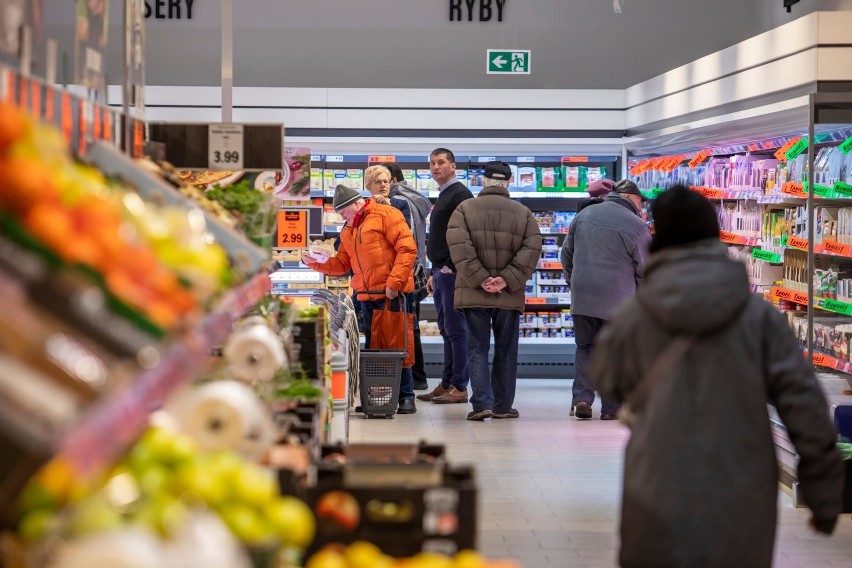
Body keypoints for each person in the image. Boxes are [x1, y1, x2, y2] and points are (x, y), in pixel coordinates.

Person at [588, 185, 844, 568]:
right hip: (742, 479)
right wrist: (825, 494)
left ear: (659, 238)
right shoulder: (760, 319)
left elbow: (606, 379)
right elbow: (803, 404)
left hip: (657, 477)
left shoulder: (636, 317)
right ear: (713, 236)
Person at [302, 184, 418, 414]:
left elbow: (407, 249)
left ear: (357, 204)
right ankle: (378, 397)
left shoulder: (387, 215)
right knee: (374, 349)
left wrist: (394, 283)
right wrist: (313, 262)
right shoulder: (348, 230)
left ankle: (406, 396)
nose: (342, 217)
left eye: (344, 212)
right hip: (366, 296)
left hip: (390, 294)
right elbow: (342, 265)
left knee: (397, 346)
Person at [447, 161, 542, 420]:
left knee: (477, 347)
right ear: (509, 182)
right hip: (508, 294)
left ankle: (481, 404)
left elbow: (459, 247)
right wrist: (505, 279)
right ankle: (502, 405)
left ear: (484, 181)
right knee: (506, 348)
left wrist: (480, 279)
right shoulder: (524, 213)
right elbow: (532, 249)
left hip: (473, 292)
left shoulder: (464, 210)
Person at [560, 179, 651, 420]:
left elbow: (566, 254)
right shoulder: (636, 225)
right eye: (641, 201)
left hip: (583, 296)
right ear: (631, 198)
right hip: (619, 300)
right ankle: (611, 408)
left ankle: (582, 399)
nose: (641, 207)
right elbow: (646, 268)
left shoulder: (584, 214)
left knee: (585, 347)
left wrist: (574, 282)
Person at [417, 148, 474, 404]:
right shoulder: (444, 194)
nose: (435, 167)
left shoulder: (460, 193)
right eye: (432, 163)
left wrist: (450, 264)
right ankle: (448, 381)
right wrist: (434, 270)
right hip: (440, 271)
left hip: (452, 272)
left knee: (456, 330)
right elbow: (442, 236)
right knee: (445, 329)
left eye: (440, 162)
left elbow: (466, 233)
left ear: (453, 166)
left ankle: (460, 386)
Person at [383, 162, 433, 391]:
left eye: (382, 179)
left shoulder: (401, 203)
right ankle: (416, 377)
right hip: (416, 270)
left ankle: (412, 381)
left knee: (406, 326)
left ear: (392, 180)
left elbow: (405, 242)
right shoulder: (414, 198)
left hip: (407, 272)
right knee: (409, 324)